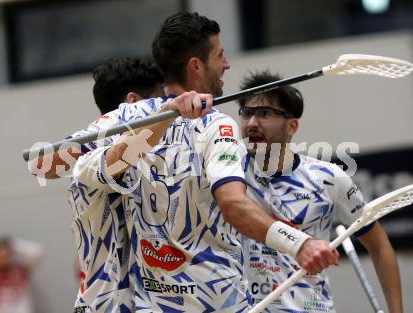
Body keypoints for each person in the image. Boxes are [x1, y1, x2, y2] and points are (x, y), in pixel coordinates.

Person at [72, 12, 338, 312]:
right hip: (214, 303)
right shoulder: (212, 124)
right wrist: (299, 244)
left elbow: (49, 162)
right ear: (196, 66)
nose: (226, 64)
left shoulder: (128, 115)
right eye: (220, 55)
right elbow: (234, 204)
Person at [238, 70, 403, 313]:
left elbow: (379, 245)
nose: (252, 123)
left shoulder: (328, 178)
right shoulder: (226, 171)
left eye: (264, 113)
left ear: (292, 125)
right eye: (246, 113)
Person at [69, 58, 213, 312]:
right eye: (158, 102)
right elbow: (119, 157)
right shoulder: (88, 162)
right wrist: (167, 112)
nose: (167, 111)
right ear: (133, 104)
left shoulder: (150, 162)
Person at [29, 57, 165, 180]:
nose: (162, 105)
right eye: (159, 99)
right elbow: (39, 165)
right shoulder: (108, 127)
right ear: (133, 101)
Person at [0, 237, 43, 313]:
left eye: (6, 255)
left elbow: (38, 251)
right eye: (0, 255)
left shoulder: (20, 270)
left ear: (11, 254)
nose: (3, 258)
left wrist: (13, 244)